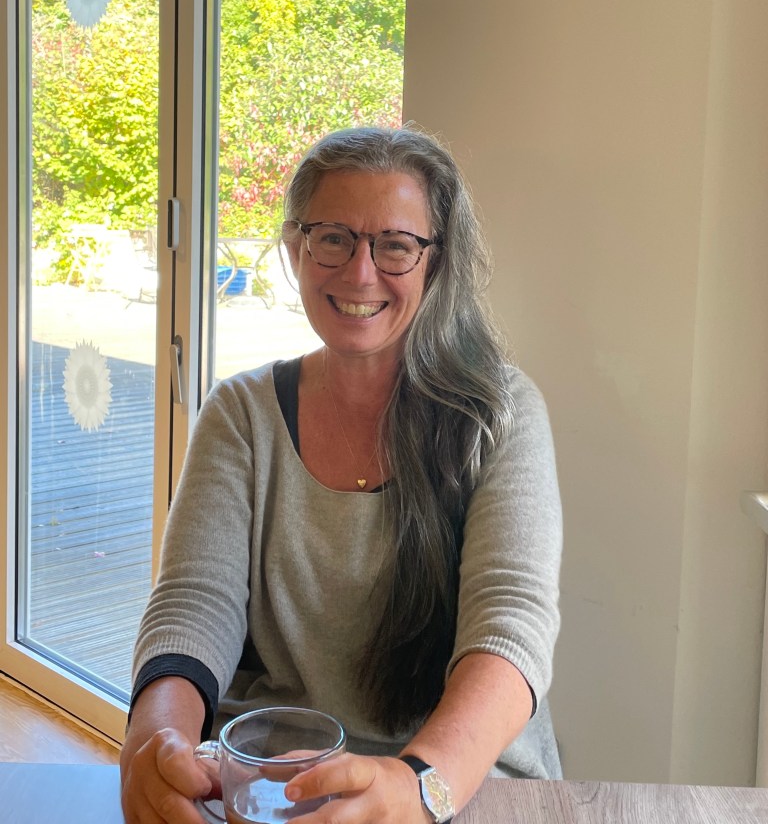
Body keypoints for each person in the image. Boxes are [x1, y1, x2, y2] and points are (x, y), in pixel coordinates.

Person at [120, 125, 562, 824]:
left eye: (396, 245)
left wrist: (419, 784)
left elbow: (511, 624)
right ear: (295, 248)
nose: (360, 274)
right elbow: (193, 603)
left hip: (459, 781)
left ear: (436, 263)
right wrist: (153, 742)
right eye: (333, 238)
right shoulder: (241, 414)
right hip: (272, 783)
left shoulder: (500, 414)